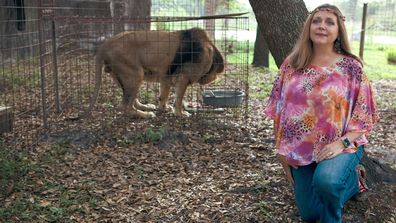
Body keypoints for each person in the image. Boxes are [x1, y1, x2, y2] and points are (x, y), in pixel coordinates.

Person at [263, 4, 379, 223]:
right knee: (310, 214)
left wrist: (340, 144)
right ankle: (354, 184)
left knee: (327, 182)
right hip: (301, 149)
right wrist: (281, 152)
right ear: (308, 27)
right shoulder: (292, 64)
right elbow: (279, 110)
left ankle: (335, 209)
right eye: (316, 21)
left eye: (329, 22)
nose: (321, 26)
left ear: (338, 31)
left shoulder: (351, 67)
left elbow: (364, 116)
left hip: (342, 145)